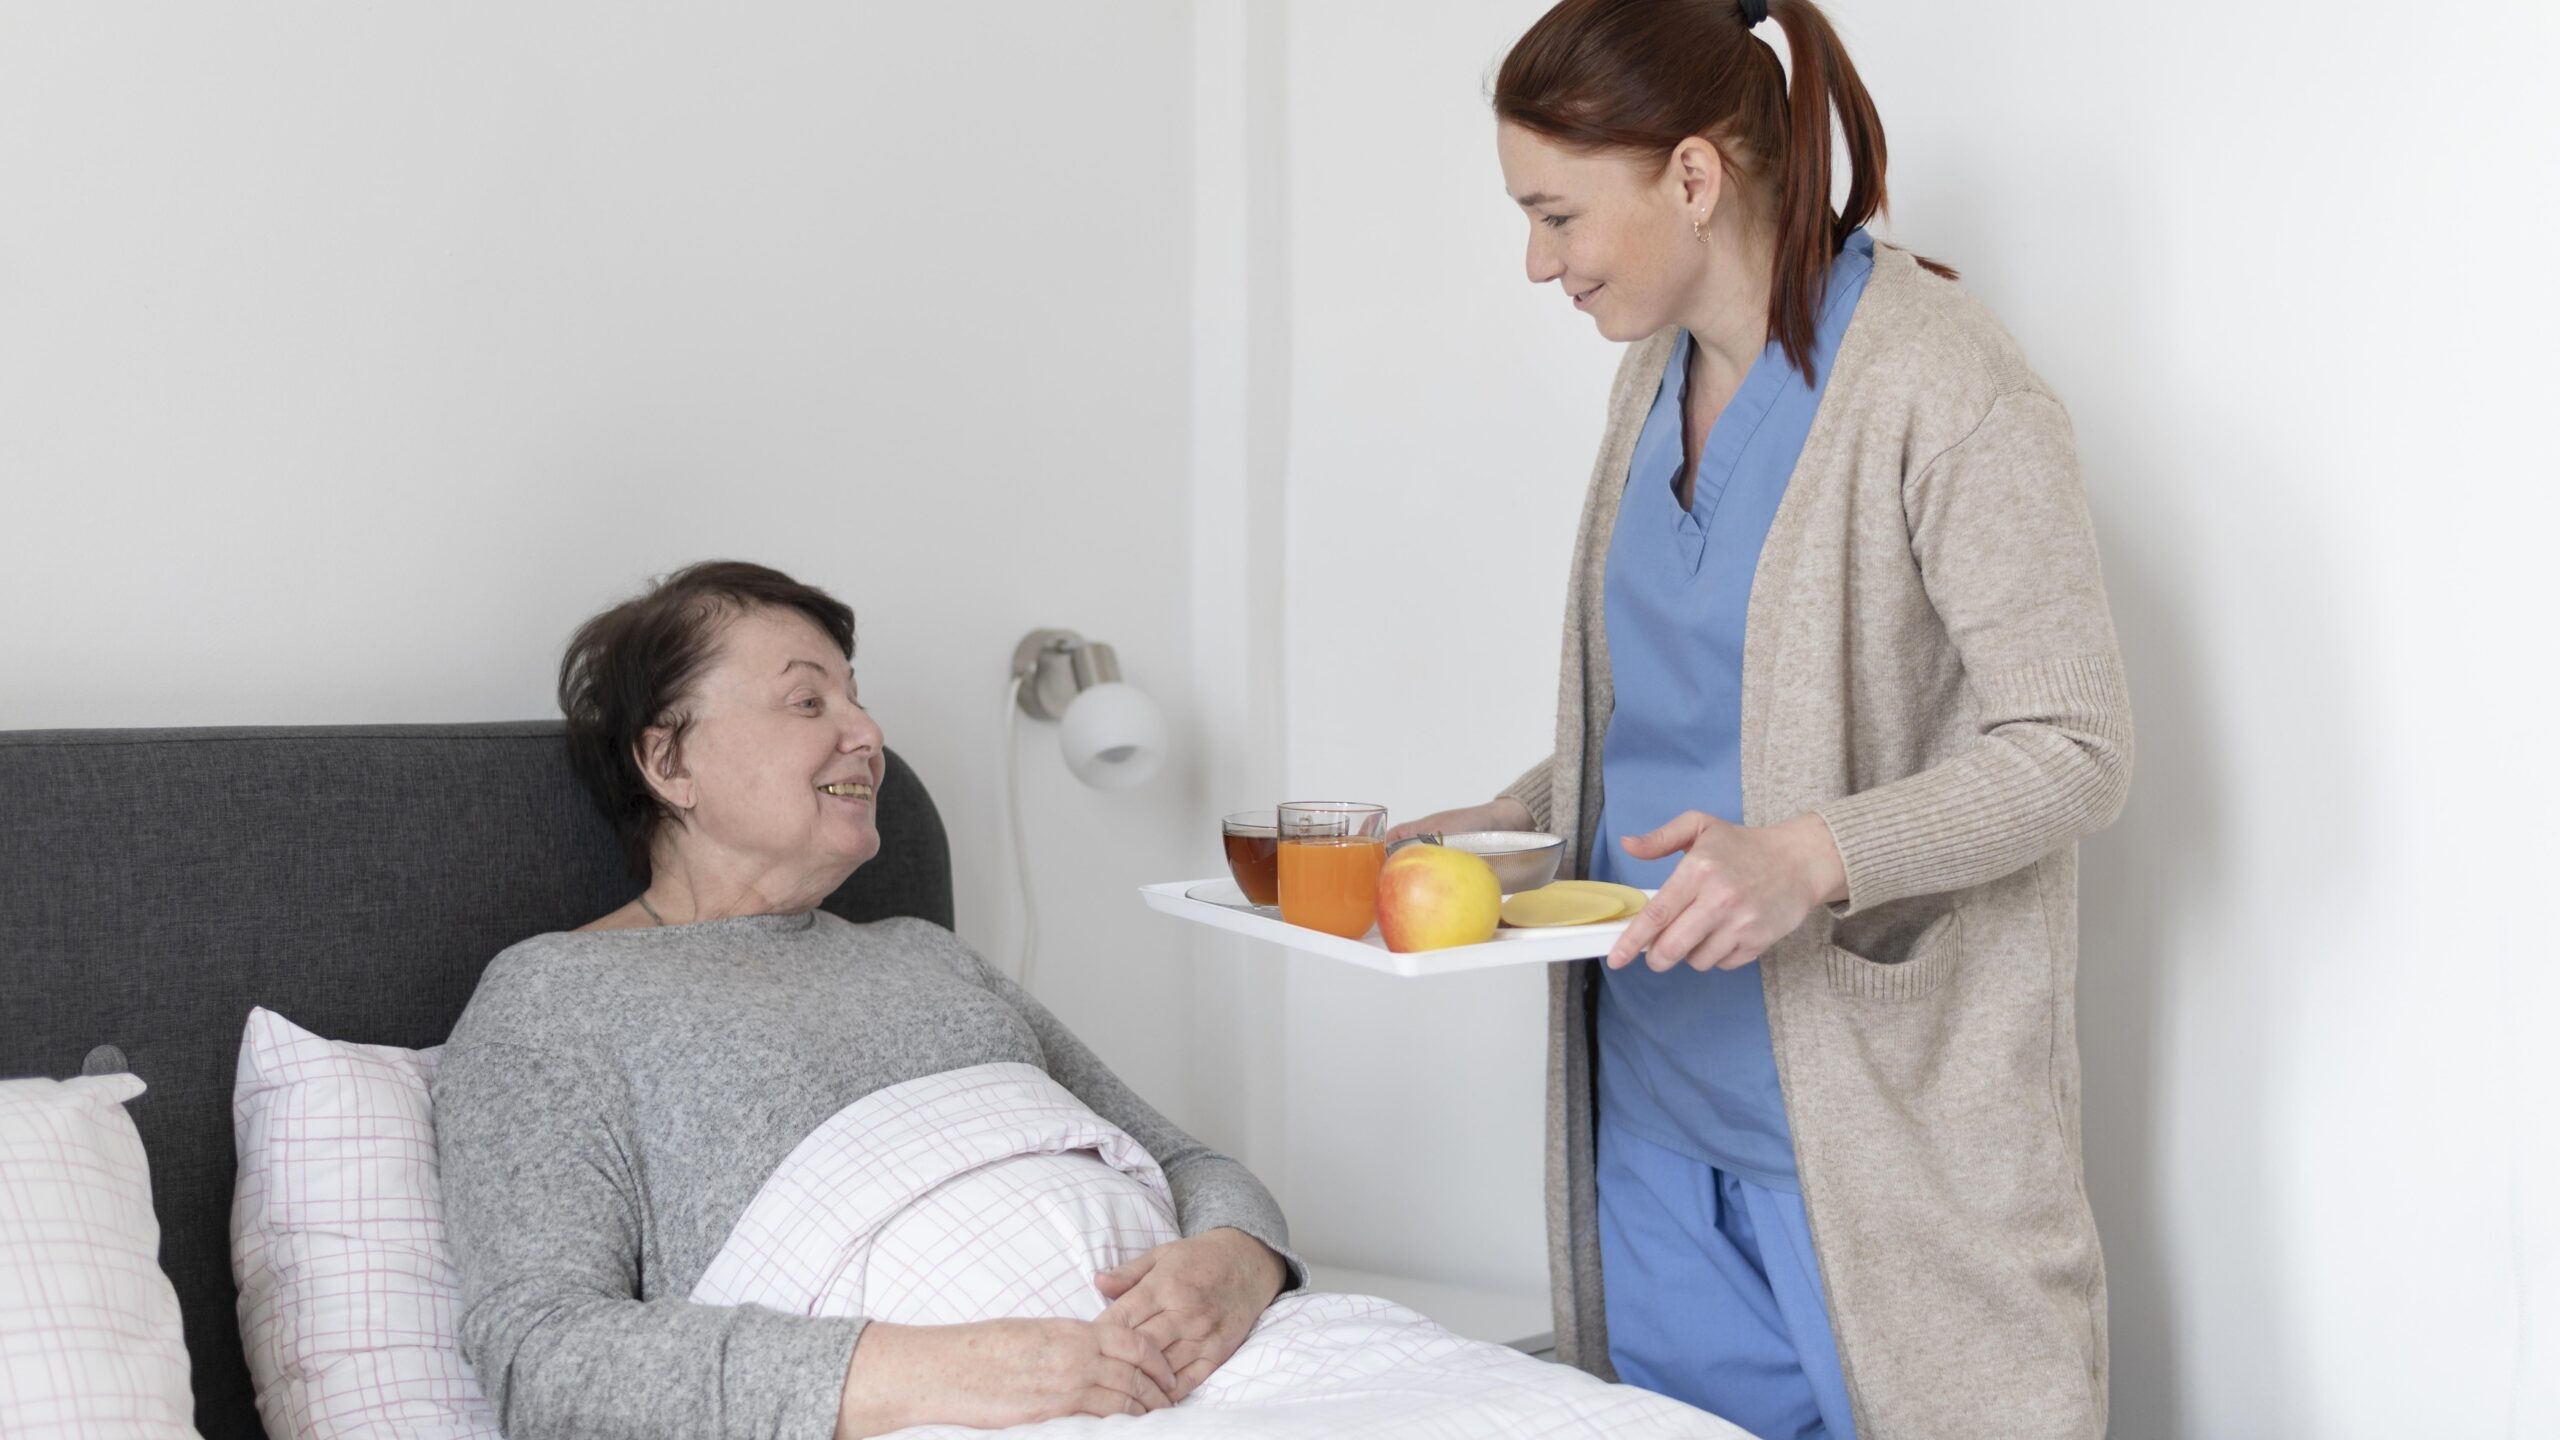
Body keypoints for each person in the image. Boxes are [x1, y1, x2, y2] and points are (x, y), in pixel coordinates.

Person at [1390, 2, 2133, 1436]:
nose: (1536, 261)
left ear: (1691, 176)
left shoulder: (1942, 385)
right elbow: (1692, 697)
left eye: (1555, 215)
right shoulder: (1650, 376)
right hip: (1655, 1106)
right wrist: (1527, 809)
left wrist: (1807, 857)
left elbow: (2076, 744)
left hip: (1873, 1133)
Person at [434, 561, 1298, 1440]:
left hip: (1219, 1375)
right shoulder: (556, 997)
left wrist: (1237, 1262)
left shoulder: (926, 955)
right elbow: (545, 1357)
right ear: (669, 761)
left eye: (856, 698)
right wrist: (961, 1370)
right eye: (808, 702)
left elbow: (1191, 1165)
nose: (869, 734)